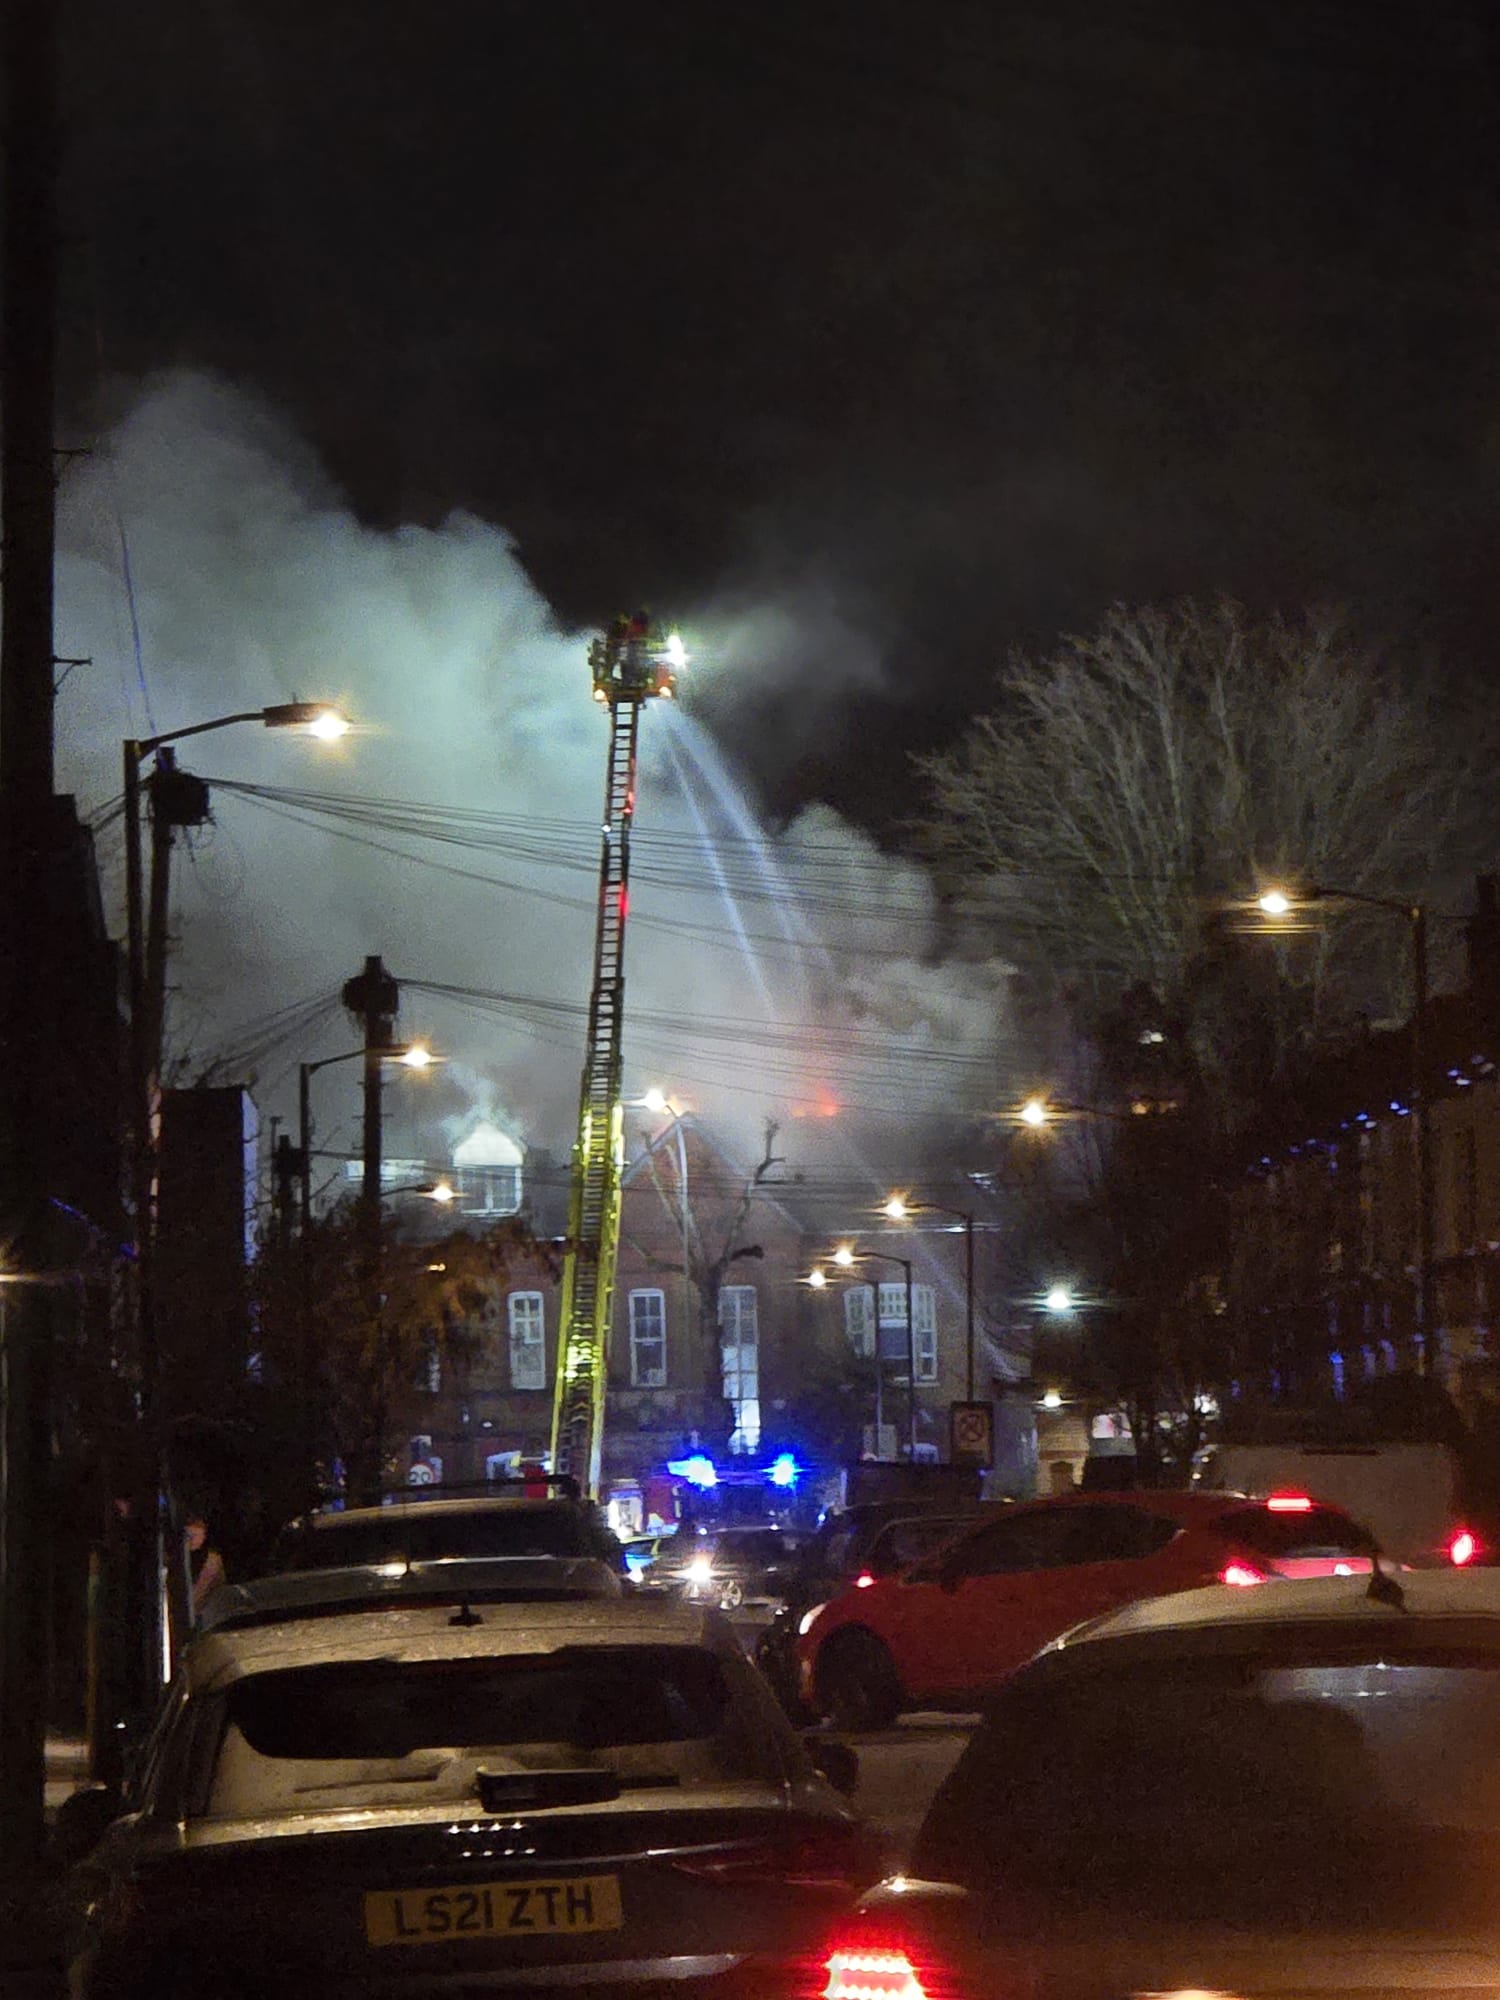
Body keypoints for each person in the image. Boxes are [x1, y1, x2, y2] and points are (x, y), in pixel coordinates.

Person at [186, 1514, 226, 1618]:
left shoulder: (212, 1562)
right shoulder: (174, 1558)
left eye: (195, 1535)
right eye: (188, 1536)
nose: (191, 1540)